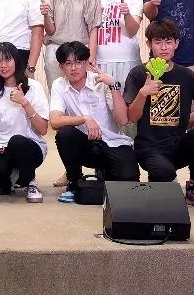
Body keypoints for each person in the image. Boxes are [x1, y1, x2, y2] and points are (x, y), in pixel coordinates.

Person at [124, 19, 194, 212]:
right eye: (158, 42)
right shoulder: (138, 74)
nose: (163, 47)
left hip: (176, 144)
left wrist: (182, 120)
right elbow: (131, 117)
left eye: (168, 42)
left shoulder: (186, 75)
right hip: (149, 148)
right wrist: (143, 93)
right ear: (149, 44)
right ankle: (159, 180)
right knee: (165, 175)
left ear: (176, 43)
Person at [49, 41, 139, 204]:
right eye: (68, 63)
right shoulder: (59, 85)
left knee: (128, 181)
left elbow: (123, 120)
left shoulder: (102, 82)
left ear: (87, 63)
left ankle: (105, 172)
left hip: (111, 142)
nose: (74, 68)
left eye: (79, 62)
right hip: (83, 145)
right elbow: (55, 121)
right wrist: (85, 118)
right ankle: (74, 182)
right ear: (61, 67)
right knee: (65, 134)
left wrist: (114, 86)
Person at [0, 42, 49, 202]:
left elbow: (43, 129)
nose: (3, 66)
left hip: (31, 146)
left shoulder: (34, 87)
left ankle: (30, 182)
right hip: (2, 146)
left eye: (8, 60)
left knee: (17, 142)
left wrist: (24, 102)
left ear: (16, 61)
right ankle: (10, 182)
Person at [40, 0, 102, 91]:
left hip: (81, 52)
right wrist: (45, 15)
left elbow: (93, 27)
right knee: (57, 93)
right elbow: (51, 30)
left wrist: (90, 58)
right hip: (55, 52)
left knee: (84, 95)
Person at [95, 0, 143, 92]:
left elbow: (132, 31)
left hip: (127, 60)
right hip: (100, 62)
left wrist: (127, 14)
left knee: (127, 102)